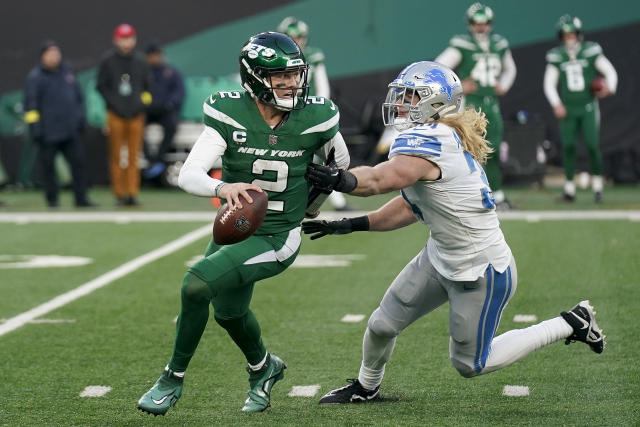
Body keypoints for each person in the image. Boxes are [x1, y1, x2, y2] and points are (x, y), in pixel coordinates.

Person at [302, 61, 605, 404]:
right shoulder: (435, 136)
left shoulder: (433, 139)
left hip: (480, 269)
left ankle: (569, 322)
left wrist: (341, 180)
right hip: (440, 256)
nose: (400, 103)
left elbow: (382, 180)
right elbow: (410, 205)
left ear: (435, 101)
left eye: (410, 95)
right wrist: (350, 224)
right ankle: (366, 386)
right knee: (382, 324)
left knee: (470, 364)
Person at [137, 32, 350, 416]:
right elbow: (189, 175)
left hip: (277, 235)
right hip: (238, 227)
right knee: (229, 313)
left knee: (196, 284)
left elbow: (339, 168)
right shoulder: (228, 111)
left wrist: (312, 206)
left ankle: (172, 378)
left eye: (295, 74)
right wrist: (225, 186)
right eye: (278, 76)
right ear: (253, 77)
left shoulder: (317, 116)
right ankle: (264, 368)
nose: (290, 83)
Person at [435, 3, 516, 209]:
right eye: (476, 23)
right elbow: (438, 67)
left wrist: (503, 85)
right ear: (470, 24)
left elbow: (510, 70)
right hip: (471, 104)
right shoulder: (462, 44)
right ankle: (470, 193)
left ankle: (496, 194)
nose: (480, 27)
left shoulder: (499, 44)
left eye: (484, 23)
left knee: (493, 149)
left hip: (492, 103)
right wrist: (460, 86)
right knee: (468, 150)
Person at [277, 16, 354, 212]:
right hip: (279, 111)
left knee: (327, 158)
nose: (296, 41)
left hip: (305, 112)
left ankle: (335, 201)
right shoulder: (275, 56)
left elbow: (323, 87)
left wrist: (318, 111)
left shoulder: (312, 56)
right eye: (291, 36)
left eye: (299, 37)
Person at [543, 15, 617, 203]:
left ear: (578, 34)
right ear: (561, 35)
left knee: (593, 145)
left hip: (588, 106)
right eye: (566, 34)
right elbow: (549, 83)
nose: (569, 37)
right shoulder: (557, 55)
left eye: (572, 33)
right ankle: (569, 190)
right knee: (568, 147)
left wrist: (610, 87)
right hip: (568, 108)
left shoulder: (590, 50)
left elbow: (610, 71)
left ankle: (598, 187)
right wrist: (556, 103)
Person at [23, 40, 95, 208]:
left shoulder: (67, 72)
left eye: (57, 53)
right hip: (48, 132)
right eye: (50, 53)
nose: (55, 56)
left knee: (78, 165)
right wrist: (36, 129)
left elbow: (78, 98)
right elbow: (31, 106)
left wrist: (79, 119)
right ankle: (52, 200)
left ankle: (81, 198)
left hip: (70, 130)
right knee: (48, 169)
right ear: (43, 56)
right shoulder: (35, 77)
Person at [97, 23, 152, 206]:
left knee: (133, 155)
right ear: (116, 40)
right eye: (123, 38)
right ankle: (119, 193)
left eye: (129, 38)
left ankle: (132, 193)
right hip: (115, 114)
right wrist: (114, 104)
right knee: (116, 155)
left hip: (136, 115)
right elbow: (102, 86)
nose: (127, 42)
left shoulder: (140, 60)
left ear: (134, 39)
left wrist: (141, 104)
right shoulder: (108, 61)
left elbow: (147, 86)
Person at [142, 39, 185, 180]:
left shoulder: (171, 72)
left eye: (157, 54)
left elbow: (179, 93)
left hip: (165, 110)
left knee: (171, 126)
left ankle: (158, 158)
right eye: (151, 55)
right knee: (136, 127)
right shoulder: (142, 72)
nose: (154, 57)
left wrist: (169, 104)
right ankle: (150, 158)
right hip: (147, 111)